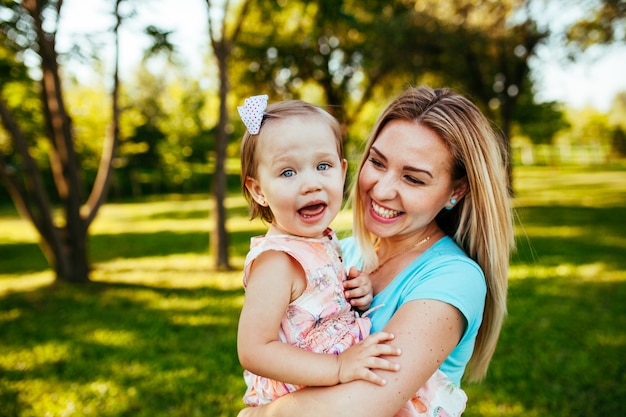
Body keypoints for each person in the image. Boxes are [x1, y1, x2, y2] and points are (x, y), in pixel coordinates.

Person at [237, 85, 515, 417]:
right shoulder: (341, 253)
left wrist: (258, 415)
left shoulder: (453, 278)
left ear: (456, 191)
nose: (382, 190)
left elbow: (355, 409)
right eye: (378, 162)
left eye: (413, 179)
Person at [236, 95, 402, 407]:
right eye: (288, 172)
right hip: (300, 398)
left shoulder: (323, 240)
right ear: (258, 190)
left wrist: (356, 293)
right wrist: (337, 367)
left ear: (341, 172)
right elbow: (254, 349)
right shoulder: (277, 261)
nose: (310, 183)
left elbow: (321, 303)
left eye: (322, 166)